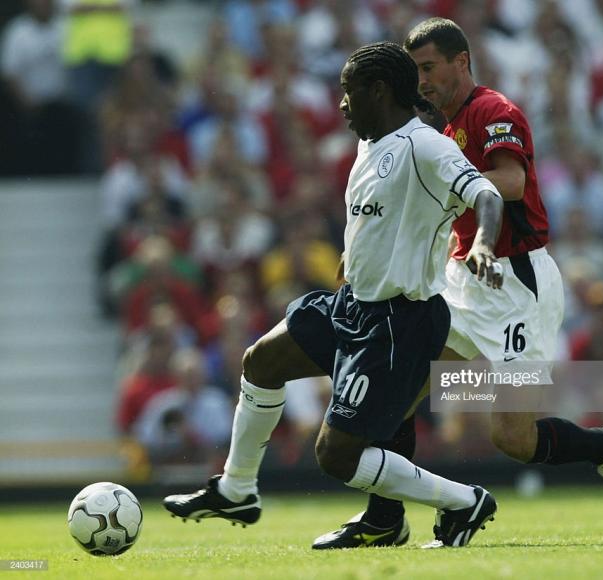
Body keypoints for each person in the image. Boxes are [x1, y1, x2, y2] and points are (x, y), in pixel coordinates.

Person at [314, 18, 603, 550]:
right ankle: (384, 519)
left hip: (515, 284)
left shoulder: (494, 110)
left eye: (428, 68)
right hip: (462, 282)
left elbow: (511, 181)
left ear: (461, 61)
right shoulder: (437, 130)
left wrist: (447, 185)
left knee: (513, 438)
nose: (420, 81)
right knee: (399, 391)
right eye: (415, 71)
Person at [163, 41, 506, 548]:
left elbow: (487, 194)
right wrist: (354, 256)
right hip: (352, 304)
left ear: (379, 91)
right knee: (261, 361)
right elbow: (378, 219)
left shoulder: (424, 146)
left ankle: (464, 501)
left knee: (336, 456)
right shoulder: (369, 144)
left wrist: (482, 244)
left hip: (400, 321)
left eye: (349, 92)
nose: (341, 104)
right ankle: (236, 490)